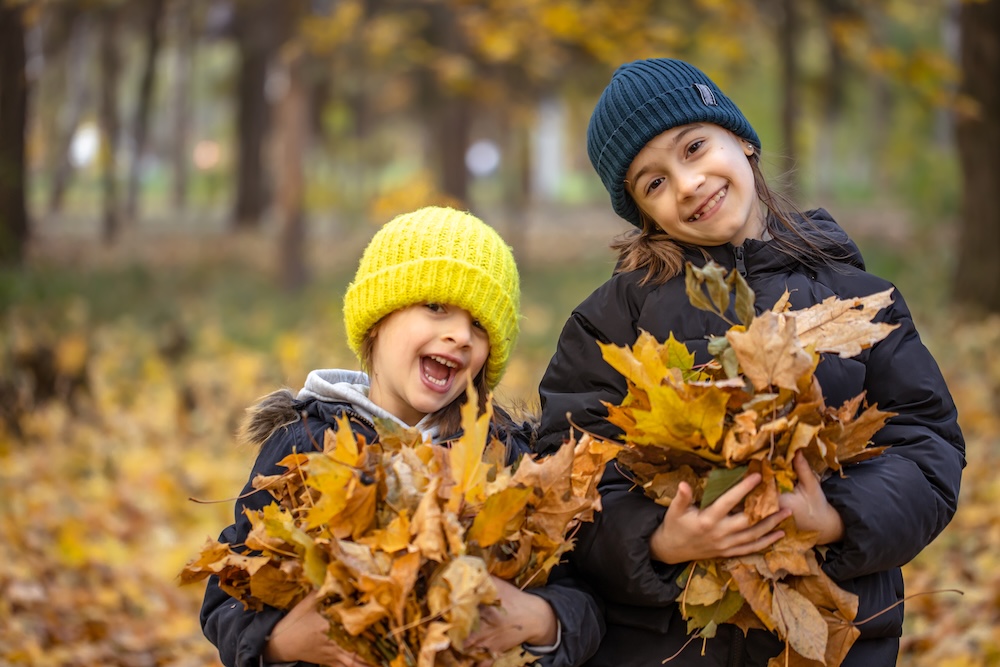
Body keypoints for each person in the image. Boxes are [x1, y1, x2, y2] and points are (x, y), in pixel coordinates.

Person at [534, 58, 965, 666]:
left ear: (742, 140)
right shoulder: (608, 326)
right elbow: (567, 474)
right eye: (652, 182)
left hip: (827, 638)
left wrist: (838, 518)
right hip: (670, 644)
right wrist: (657, 539)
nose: (686, 184)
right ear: (641, 213)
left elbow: (927, 446)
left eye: (694, 147)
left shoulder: (858, 297)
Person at [201, 206, 604, 667]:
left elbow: (583, 595)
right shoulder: (306, 443)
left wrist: (542, 618)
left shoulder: (504, 457)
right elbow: (229, 590)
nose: (459, 336)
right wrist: (278, 641)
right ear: (378, 318)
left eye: (479, 326)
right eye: (435, 307)